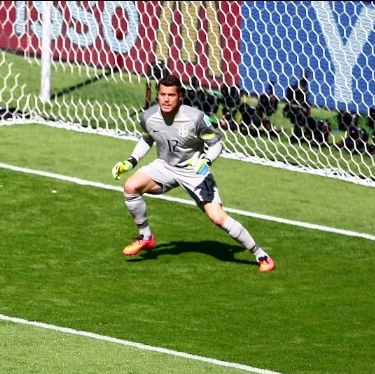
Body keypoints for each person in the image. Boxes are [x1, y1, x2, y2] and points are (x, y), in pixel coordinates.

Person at [111, 74, 275, 272]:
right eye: (162, 94)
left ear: (180, 96)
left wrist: (206, 161)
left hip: (195, 170)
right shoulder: (149, 117)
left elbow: (216, 145)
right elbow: (147, 139)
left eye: (171, 95)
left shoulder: (195, 118)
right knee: (130, 186)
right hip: (165, 166)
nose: (165, 99)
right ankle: (145, 236)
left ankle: (260, 255)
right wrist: (131, 160)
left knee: (218, 218)